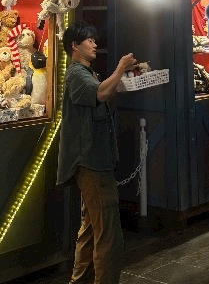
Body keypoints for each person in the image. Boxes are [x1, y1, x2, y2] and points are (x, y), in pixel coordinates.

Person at [57, 22, 137, 284]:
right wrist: (120, 68)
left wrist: (124, 79)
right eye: (89, 40)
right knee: (108, 233)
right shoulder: (76, 74)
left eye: (94, 39)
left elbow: (103, 94)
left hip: (96, 159)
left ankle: (79, 280)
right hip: (92, 161)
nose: (94, 44)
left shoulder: (88, 73)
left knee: (92, 227)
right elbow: (101, 93)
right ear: (74, 46)